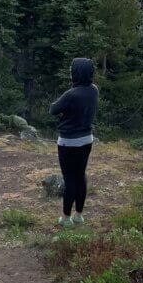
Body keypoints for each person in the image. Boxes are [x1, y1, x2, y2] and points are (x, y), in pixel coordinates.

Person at [49, 57, 98, 226]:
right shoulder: (94, 90)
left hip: (68, 142)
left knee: (69, 179)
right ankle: (79, 215)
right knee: (80, 176)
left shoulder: (71, 94)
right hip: (87, 139)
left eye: (72, 70)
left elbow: (53, 109)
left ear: (76, 73)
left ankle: (66, 218)